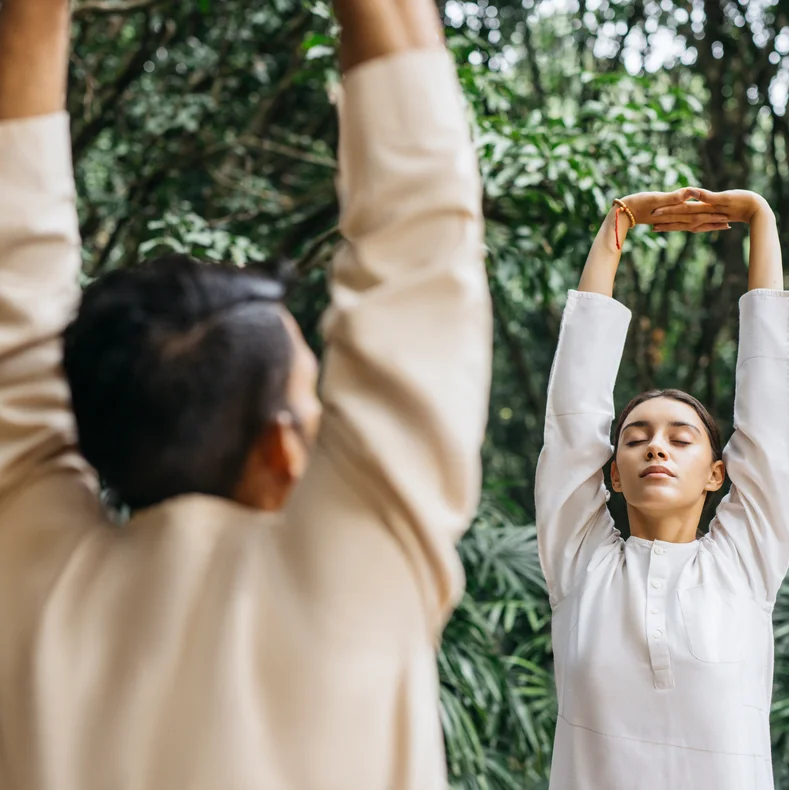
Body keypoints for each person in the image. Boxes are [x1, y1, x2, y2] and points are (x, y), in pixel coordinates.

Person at [0, 0, 492, 787]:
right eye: (314, 398)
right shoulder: (354, 572)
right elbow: (423, 237)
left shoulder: (29, 585)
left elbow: (9, 289)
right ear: (281, 444)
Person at [536, 187, 787, 789]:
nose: (656, 446)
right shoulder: (579, 563)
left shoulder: (746, 563)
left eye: (681, 439)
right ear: (612, 472)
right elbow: (573, 414)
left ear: (717, 473)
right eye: (636, 437)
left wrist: (760, 219)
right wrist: (617, 224)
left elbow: (772, 411)